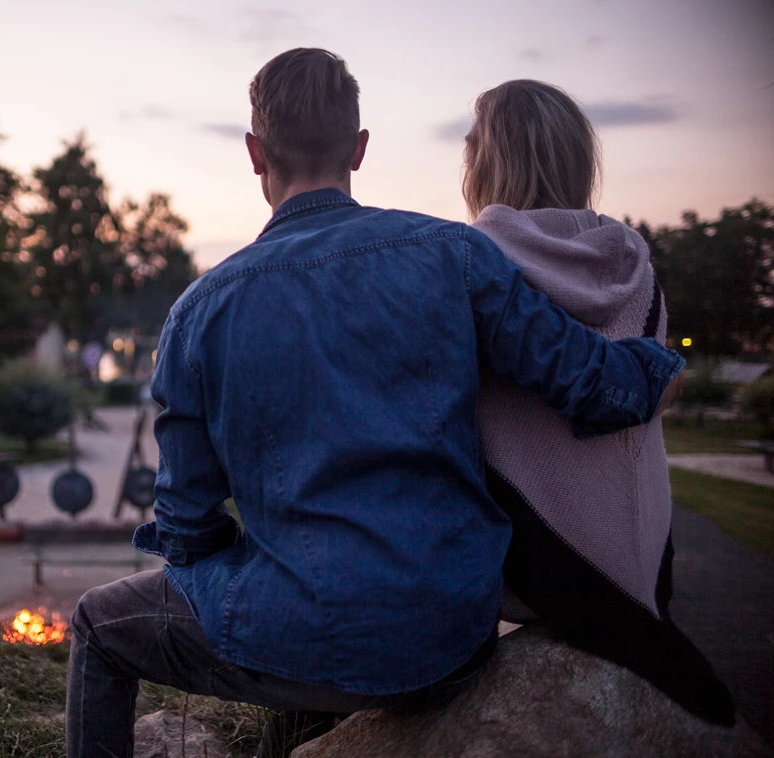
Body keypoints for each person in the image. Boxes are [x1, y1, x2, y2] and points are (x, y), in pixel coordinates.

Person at [65, 49, 686, 758]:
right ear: (359, 149)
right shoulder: (455, 255)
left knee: (95, 627)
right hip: (447, 639)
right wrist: (662, 365)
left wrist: (256, 575)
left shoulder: (197, 313)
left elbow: (184, 523)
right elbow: (590, 385)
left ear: (253, 152)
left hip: (294, 637)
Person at [463, 79, 734, 724]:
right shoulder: (634, 263)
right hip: (642, 553)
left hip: (525, 570)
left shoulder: (476, 262)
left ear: (488, 161)